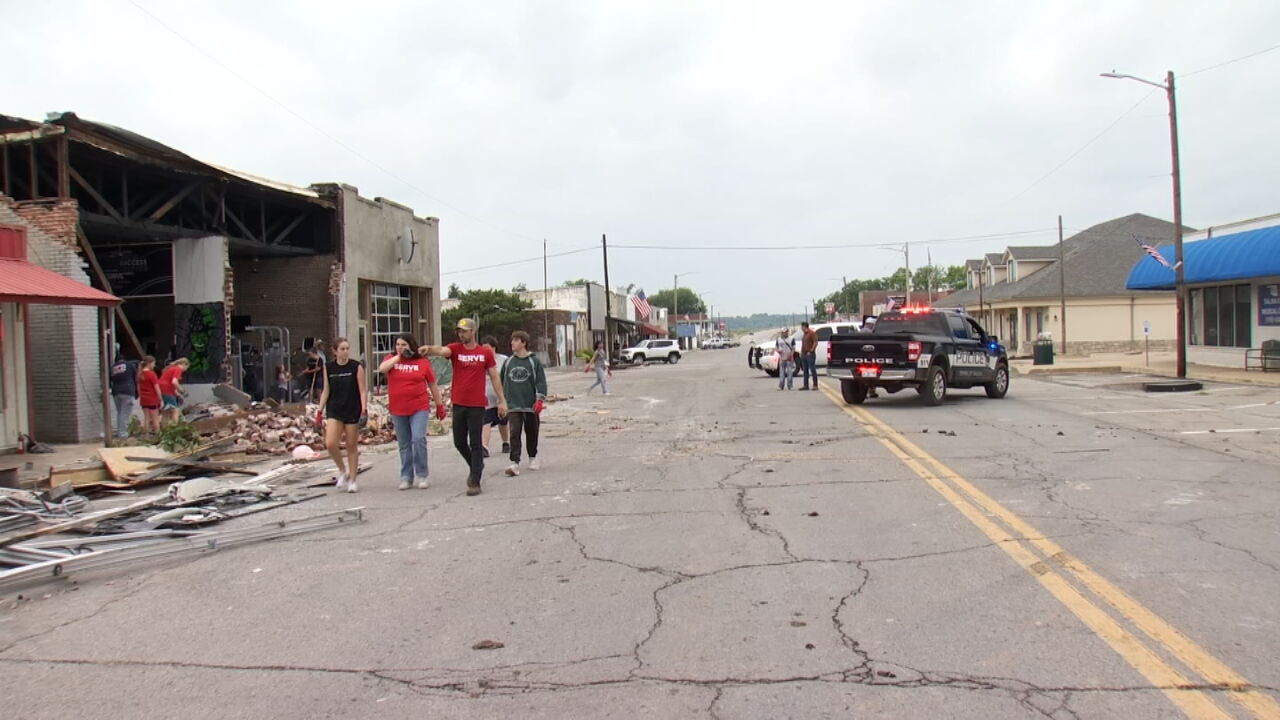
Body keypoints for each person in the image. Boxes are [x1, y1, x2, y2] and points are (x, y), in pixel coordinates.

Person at [422, 319, 507, 496]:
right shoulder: (455, 349)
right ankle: (477, 465)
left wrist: (502, 400)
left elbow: (494, 377)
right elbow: (442, 350)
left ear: (473, 331)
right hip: (459, 403)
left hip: (477, 404)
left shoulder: (484, 353)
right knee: (459, 441)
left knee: (475, 442)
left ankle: (474, 480)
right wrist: (429, 349)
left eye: (465, 331)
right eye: (459, 331)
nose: (461, 334)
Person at [379, 333, 445, 491]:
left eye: (403, 345)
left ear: (411, 345)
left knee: (418, 438)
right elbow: (382, 369)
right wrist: (399, 357)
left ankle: (422, 474)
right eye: (398, 345)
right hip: (398, 408)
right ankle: (406, 476)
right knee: (404, 443)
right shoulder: (391, 359)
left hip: (419, 407)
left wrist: (439, 404)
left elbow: (432, 384)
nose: (400, 347)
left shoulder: (422, 362)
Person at [320, 338, 368, 493]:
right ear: (335, 351)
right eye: (342, 349)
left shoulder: (355, 367)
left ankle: (353, 480)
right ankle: (342, 469)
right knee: (330, 443)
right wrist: (319, 410)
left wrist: (364, 409)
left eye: (347, 348)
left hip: (352, 408)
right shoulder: (329, 368)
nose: (346, 351)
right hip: (334, 408)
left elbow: (362, 389)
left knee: (351, 445)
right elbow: (326, 390)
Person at [501, 331, 548, 476]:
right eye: (512, 340)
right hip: (513, 404)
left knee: (532, 432)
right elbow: (501, 381)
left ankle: (533, 457)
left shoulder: (534, 362)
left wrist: (539, 400)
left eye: (515, 340)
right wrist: (501, 400)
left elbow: (541, 381)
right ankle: (514, 462)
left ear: (523, 343)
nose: (512, 343)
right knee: (514, 433)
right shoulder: (508, 362)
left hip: (530, 405)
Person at [480, 336, 510, 458]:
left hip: (500, 395)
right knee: (485, 421)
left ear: (494, 347)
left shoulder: (503, 360)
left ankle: (505, 442)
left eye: (487, 348)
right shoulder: (480, 360)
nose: (485, 351)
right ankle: (485, 447)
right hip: (486, 396)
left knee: (503, 420)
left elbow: (506, 376)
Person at [108, 352, 139, 439]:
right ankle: (123, 434)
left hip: (116, 392)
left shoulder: (113, 367)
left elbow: (110, 380)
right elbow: (135, 378)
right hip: (128, 391)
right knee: (125, 414)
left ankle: (119, 432)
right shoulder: (129, 365)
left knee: (120, 413)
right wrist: (136, 392)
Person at [158, 358, 190, 425]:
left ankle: (165, 429)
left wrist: (177, 394)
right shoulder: (178, 369)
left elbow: (170, 383)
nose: (186, 370)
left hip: (163, 389)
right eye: (187, 367)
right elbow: (174, 382)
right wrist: (182, 390)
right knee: (175, 411)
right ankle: (175, 428)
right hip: (167, 390)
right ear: (184, 364)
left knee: (166, 411)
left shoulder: (172, 368)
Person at [137, 355, 163, 434]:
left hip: (143, 399)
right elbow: (157, 388)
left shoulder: (139, 374)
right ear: (149, 363)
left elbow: (138, 388)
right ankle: (157, 435)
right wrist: (161, 399)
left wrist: (141, 396)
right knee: (155, 419)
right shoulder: (152, 374)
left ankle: (145, 436)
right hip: (152, 399)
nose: (154, 365)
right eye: (153, 363)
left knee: (146, 418)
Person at [799, 321, 819, 391]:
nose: (801, 328)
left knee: (812, 370)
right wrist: (801, 353)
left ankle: (815, 385)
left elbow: (815, 342)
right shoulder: (804, 335)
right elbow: (803, 344)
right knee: (805, 371)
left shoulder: (811, 333)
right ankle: (805, 385)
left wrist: (811, 350)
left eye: (802, 327)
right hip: (804, 354)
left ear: (805, 327)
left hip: (810, 354)